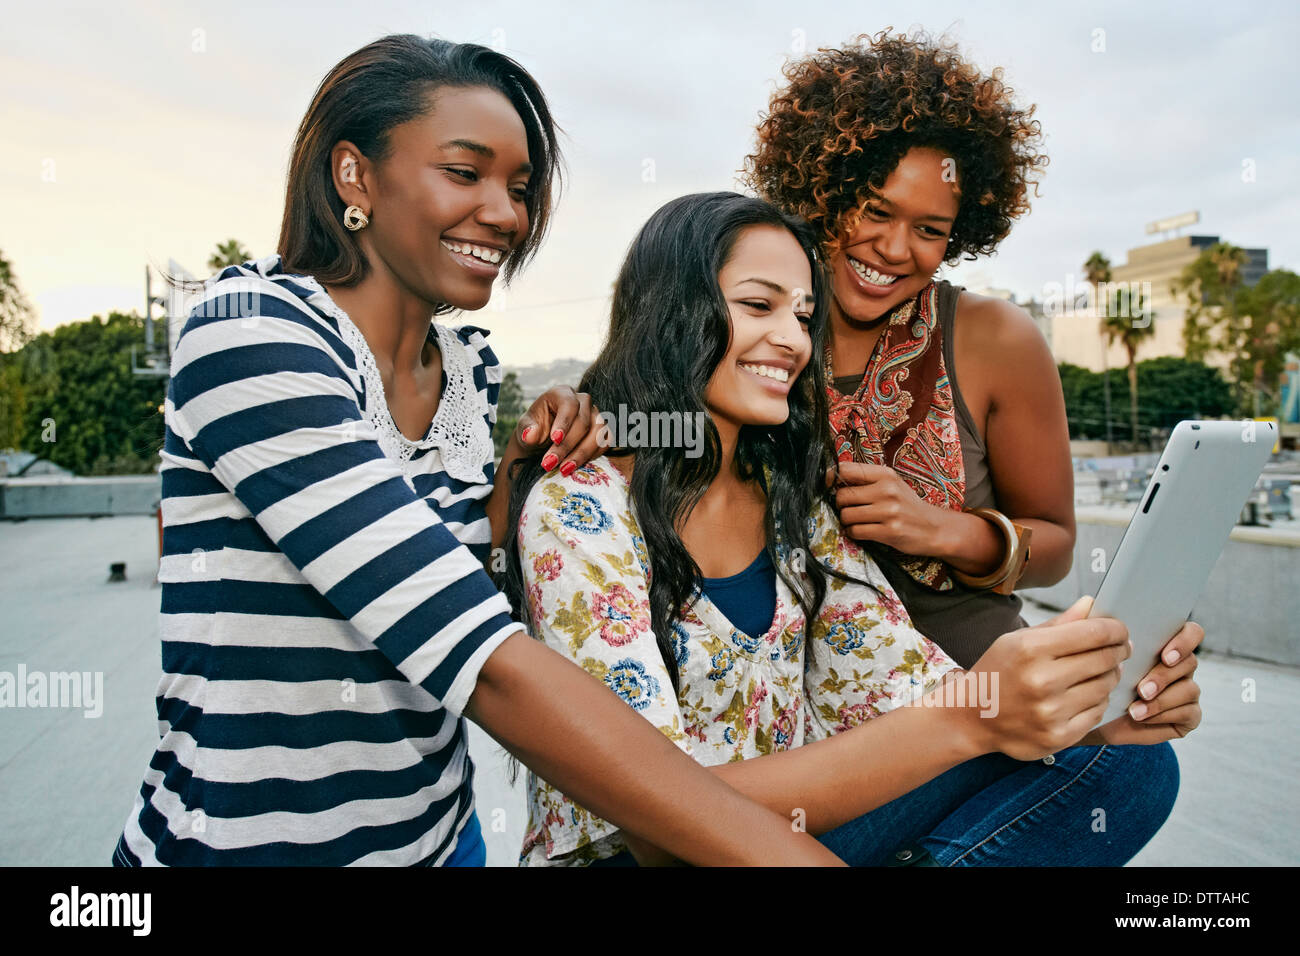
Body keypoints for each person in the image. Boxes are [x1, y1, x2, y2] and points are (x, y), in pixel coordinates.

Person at [111, 35, 841, 867]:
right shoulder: (252, 334)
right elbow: (481, 656)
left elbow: (488, 554)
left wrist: (593, 426)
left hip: (441, 843)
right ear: (354, 176)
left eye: (520, 188)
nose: (505, 213)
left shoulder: (466, 371)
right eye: (465, 173)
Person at [500, 191, 1203, 867]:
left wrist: (1086, 703)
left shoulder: (792, 506)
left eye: (804, 315)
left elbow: (904, 687)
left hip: (787, 827)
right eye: (757, 306)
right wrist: (970, 718)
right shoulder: (580, 509)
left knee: (1126, 764)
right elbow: (657, 827)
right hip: (644, 854)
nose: (791, 340)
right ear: (668, 313)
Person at [741, 30, 1191, 862]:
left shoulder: (993, 338)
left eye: (932, 229)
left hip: (987, 685)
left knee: (1134, 769)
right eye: (875, 210)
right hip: (812, 730)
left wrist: (943, 529)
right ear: (819, 189)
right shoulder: (745, 324)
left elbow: (1055, 545)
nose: (895, 250)